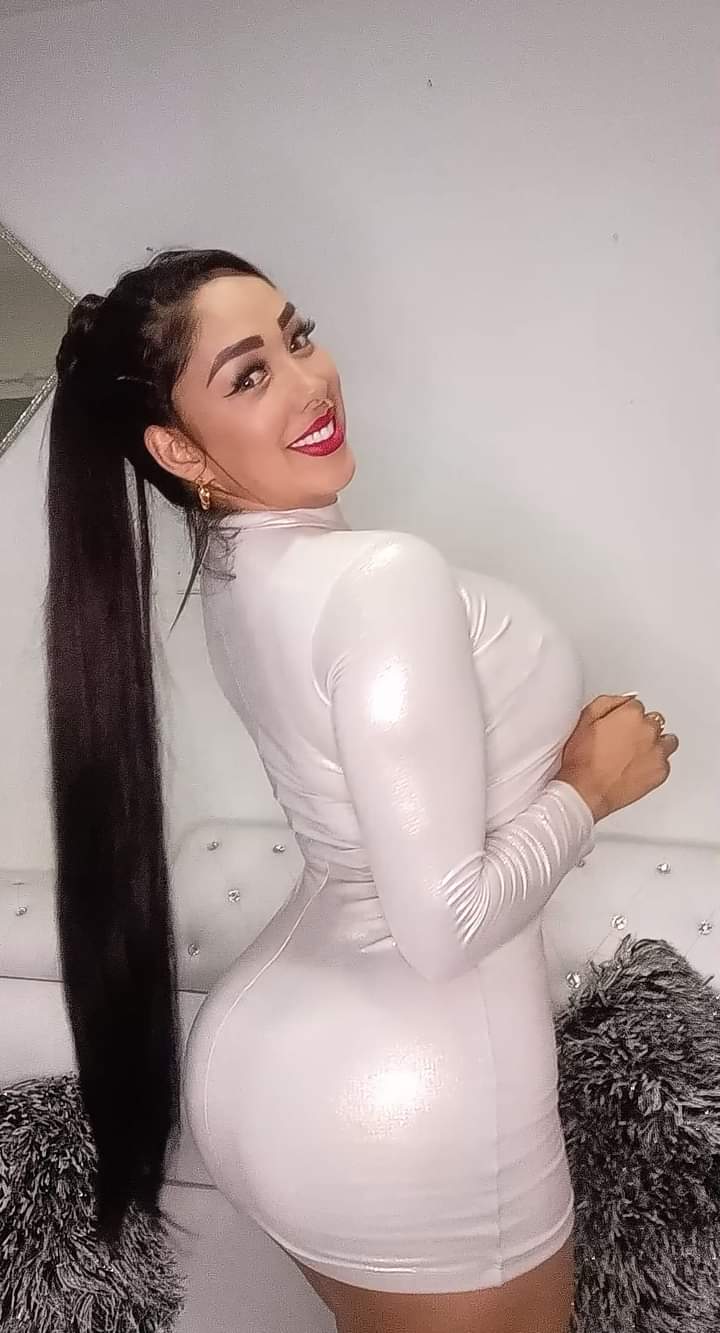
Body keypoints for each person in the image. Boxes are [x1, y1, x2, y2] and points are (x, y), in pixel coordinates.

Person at [47, 248, 678, 1333]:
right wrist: (590, 789)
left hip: (282, 1074)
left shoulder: (243, 578)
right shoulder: (380, 578)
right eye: (249, 374)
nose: (310, 381)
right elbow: (444, 925)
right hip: (413, 1097)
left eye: (297, 336)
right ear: (178, 449)